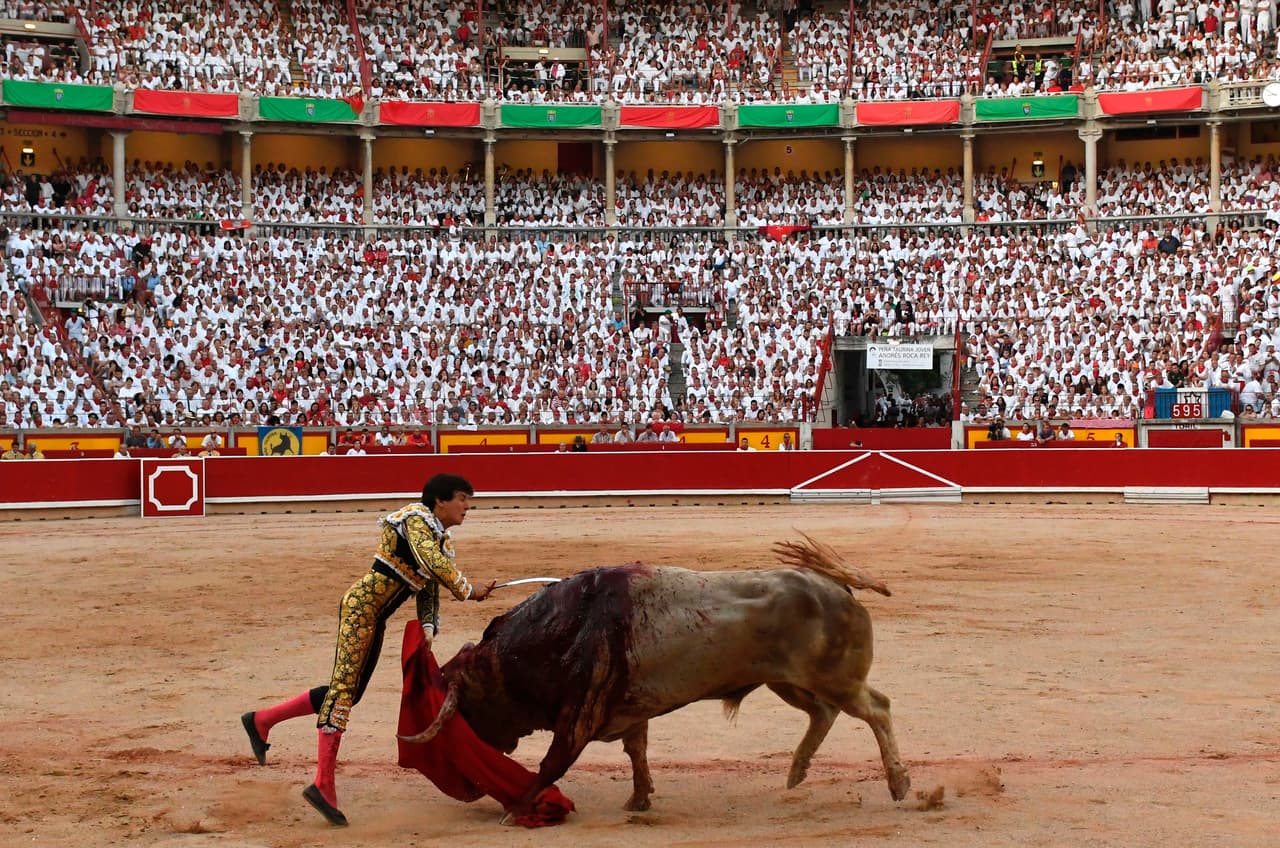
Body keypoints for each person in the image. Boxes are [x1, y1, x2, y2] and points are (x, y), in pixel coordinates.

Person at [241, 474, 496, 826]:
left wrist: (427, 626)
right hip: (361, 611)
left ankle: (261, 721)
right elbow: (434, 565)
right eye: (463, 499)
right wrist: (468, 588)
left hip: (374, 618)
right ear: (440, 500)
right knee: (344, 693)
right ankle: (323, 784)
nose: (468, 507)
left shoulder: (434, 533)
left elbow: (428, 584)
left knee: (350, 692)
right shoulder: (416, 520)